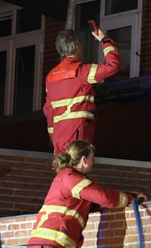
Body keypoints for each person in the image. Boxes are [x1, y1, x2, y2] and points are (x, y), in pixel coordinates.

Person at [25, 141, 144, 248]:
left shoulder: (71, 181)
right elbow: (103, 197)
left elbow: (92, 203)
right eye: (92, 157)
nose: (93, 161)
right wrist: (130, 198)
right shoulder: (71, 178)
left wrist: (124, 198)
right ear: (83, 159)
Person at [43, 26, 120, 155]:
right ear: (78, 47)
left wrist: (53, 136)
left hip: (58, 136)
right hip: (77, 132)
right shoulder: (82, 71)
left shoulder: (51, 76)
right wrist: (105, 40)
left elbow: (49, 110)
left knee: (63, 166)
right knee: (79, 165)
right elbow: (113, 65)